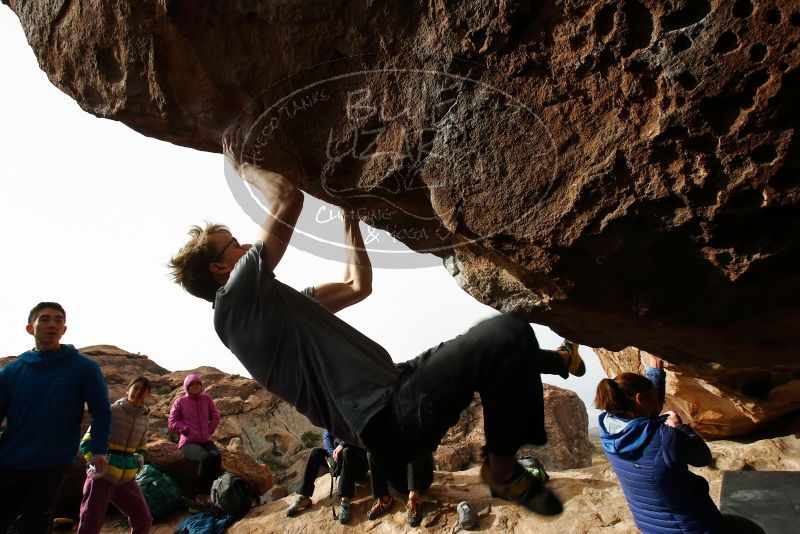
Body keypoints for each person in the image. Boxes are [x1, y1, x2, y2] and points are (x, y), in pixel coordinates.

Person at [168, 157, 586, 515]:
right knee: (505, 332)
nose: (245, 247)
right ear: (220, 270)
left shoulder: (276, 308)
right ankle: (502, 469)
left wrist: (349, 221)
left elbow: (356, 286)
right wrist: (241, 163)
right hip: (386, 417)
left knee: (500, 348)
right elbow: (286, 197)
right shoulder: (235, 305)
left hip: (398, 385)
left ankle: (559, 365)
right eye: (235, 245)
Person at [596, 355, 766, 534]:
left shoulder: (608, 430)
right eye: (653, 396)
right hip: (692, 528)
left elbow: (649, 410)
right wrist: (680, 427)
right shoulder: (665, 438)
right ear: (640, 400)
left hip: (651, 528)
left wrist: (656, 373)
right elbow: (703, 457)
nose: (658, 401)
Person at [0, 302, 111, 534]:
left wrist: (99, 449)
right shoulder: (11, 372)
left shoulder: (84, 368)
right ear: (31, 328)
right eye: (45, 319)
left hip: (52, 462)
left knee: (34, 525)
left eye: (58, 320)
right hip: (9, 460)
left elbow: (101, 410)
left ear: (64, 329)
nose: (52, 324)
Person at [77, 376, 153, 534]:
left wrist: (137, 464)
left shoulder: (144, 418)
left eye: (143, 390)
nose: (138, 392)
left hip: (126, 478)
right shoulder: (111, 411)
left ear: (148, 395)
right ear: (127, 389)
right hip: (102, 476)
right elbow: (87, 441)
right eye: (136, 388)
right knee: (90, 522)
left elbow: (141, 447)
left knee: (143, 519)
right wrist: (95, 463)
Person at [285, 429, 369, 524]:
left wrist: (342, 444)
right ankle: (305, 497)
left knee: (347, 451)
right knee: (315, 452)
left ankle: (345, 500)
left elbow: (358, 431)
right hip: (341, 460)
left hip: (358, 463)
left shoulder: (353, 415)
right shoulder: (333, 417)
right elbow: (327, 436)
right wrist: (332, 454)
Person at [168, 374, 222, 502]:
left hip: (205, 440)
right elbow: (172, 421)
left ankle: (216, 490)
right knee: (205, 458)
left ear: (201, 386)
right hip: (188, 442)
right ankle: (201, 493)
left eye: (198, 384)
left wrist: (210, 429)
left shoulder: (206, 399)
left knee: (216, 456)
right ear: (187, 387)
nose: (195, 387)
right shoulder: (180, 401)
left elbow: (215, 415)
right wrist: (184, 429)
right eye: (192, 385)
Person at [366, 452, 435, 527]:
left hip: (419, 479)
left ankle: (414, 498)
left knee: (414, 445)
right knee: (373, 450)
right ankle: (384, 499)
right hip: (397, 480)